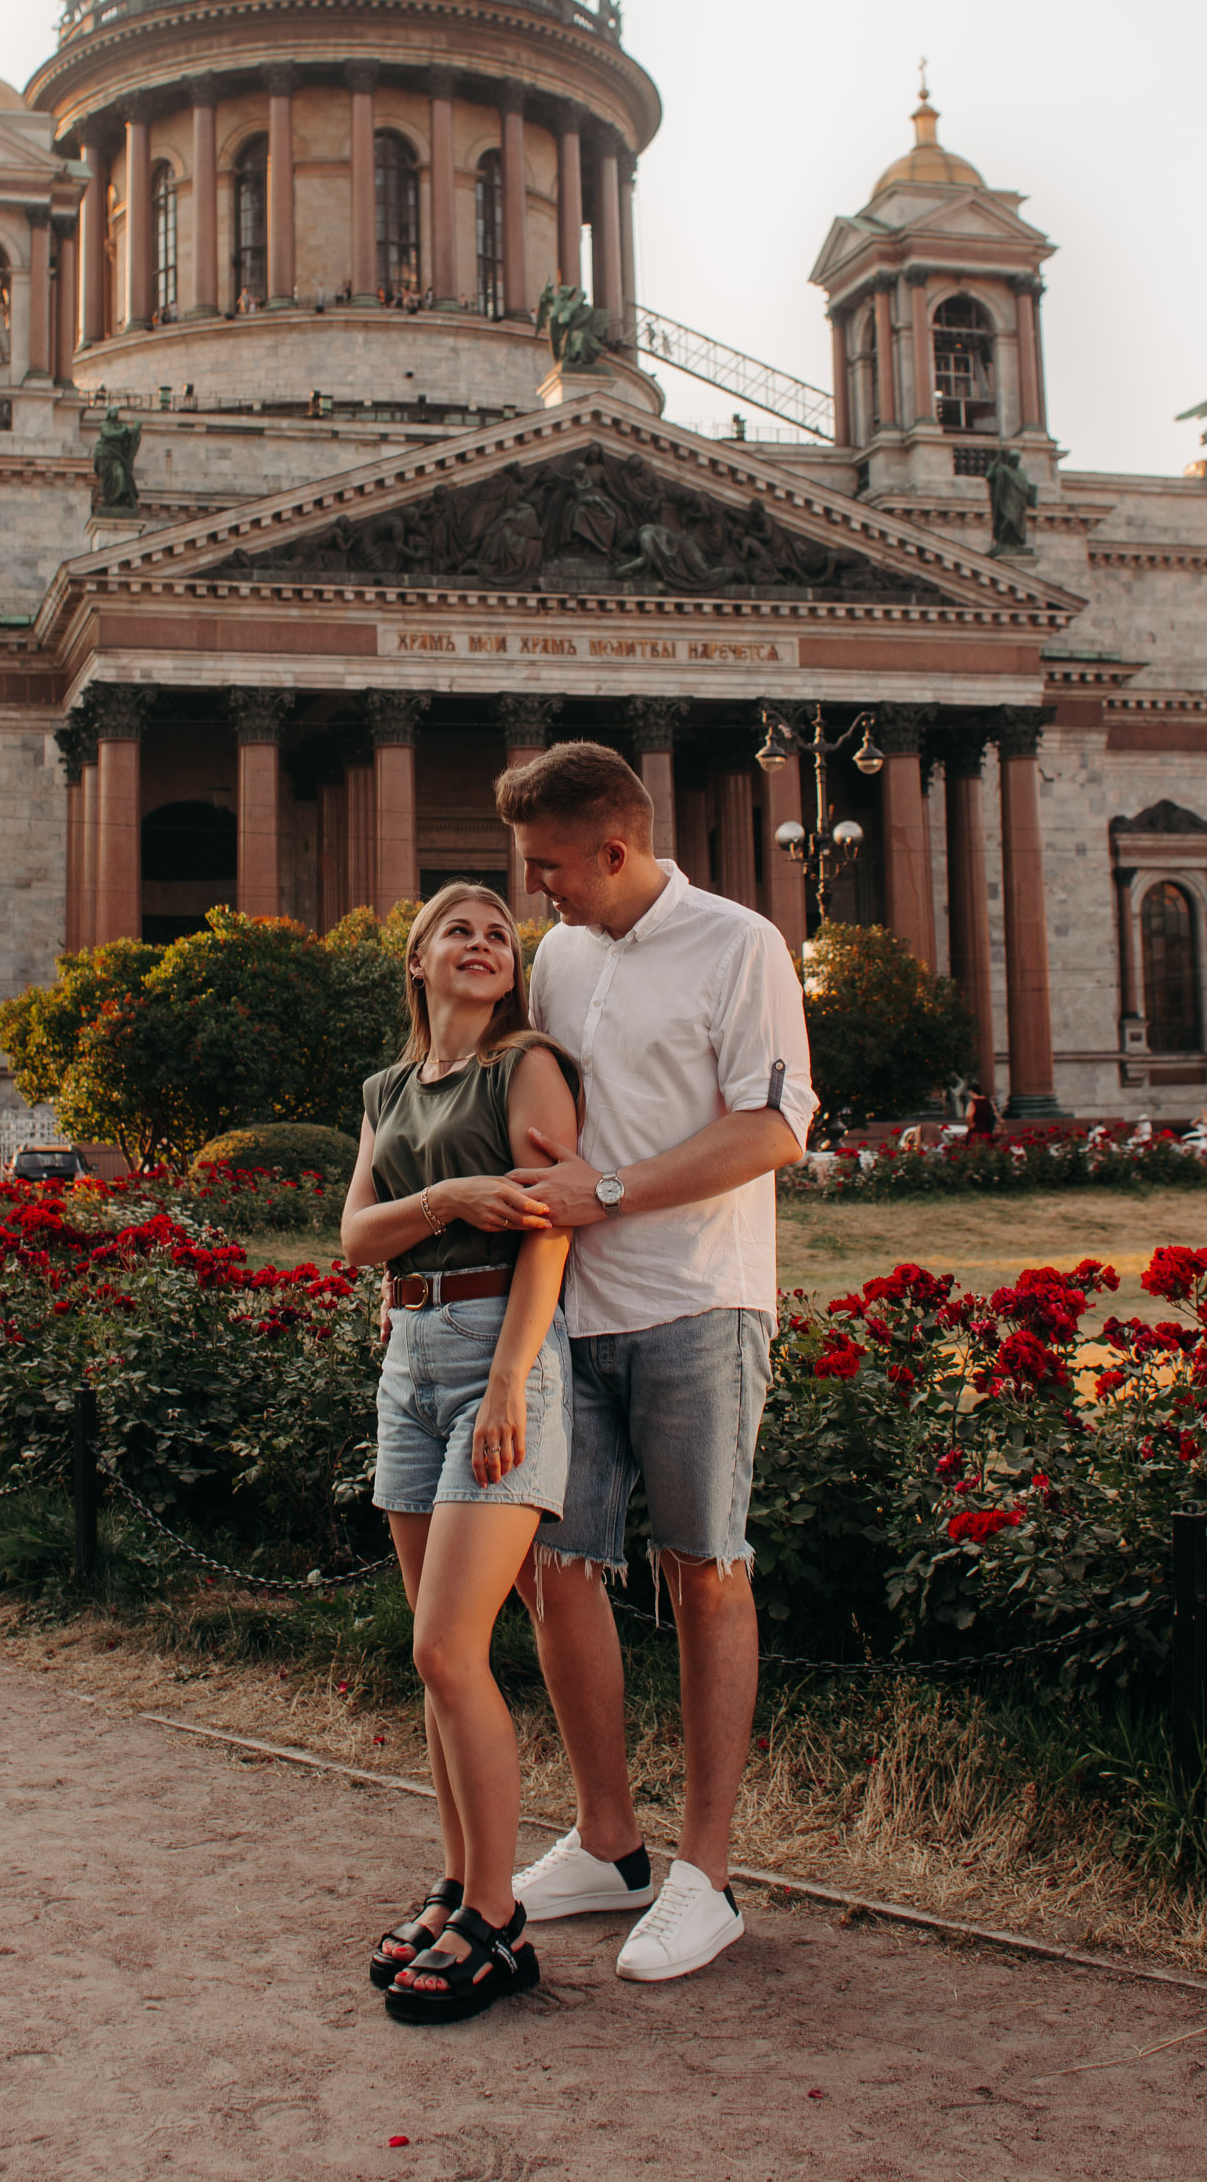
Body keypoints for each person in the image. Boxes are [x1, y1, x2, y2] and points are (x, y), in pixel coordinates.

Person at [493, 742, 814, 1984]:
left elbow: (773, 1127)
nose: (536, 890)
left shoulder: (740, 944)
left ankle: (705, 1875)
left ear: (614, 850)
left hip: (697, 1300)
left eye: (548, 867)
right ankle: (607, 1840)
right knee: (555, 1568)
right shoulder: (561, 958)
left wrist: (608, 1192)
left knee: (702, 1573)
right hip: (572, 1308)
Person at [339, 881, 581, 2024]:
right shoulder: (385, 1090)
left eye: (499, 934)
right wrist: (442, 1193)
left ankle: (494, 1916)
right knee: (432, 1655)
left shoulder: (524, 1066)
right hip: (407, 1355)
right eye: (459, 930)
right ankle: (454, 1883)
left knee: (448, 1648)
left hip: (496, 1349)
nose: (483, 944)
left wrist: (508, 1382)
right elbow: (355, 1237)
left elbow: (549, 1224)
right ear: (417, 959)